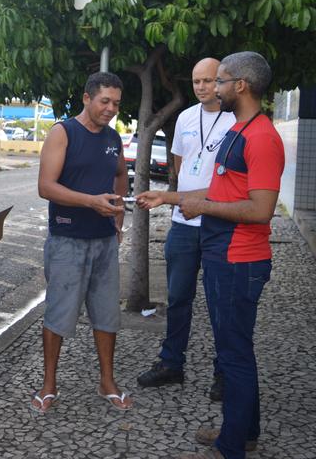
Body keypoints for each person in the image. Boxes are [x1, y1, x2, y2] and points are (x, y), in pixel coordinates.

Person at [138, 52, 284, 459]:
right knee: (236, 347)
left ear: (241, 85)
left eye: (219, 80)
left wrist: (202, 208)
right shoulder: (241, 129)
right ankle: (245, 432)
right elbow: (220, 192)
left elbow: (259, 209)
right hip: (226, 254)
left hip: (240, 258)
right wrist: (169, 196)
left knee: (234, 353)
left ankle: (231, 445)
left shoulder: (262, 138)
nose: (212, 88)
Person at [137, 58, 236, 400]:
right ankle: (172, 364)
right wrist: (179, 198)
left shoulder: (237, 119)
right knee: (178, 298)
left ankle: (225, 372)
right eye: (196, 81)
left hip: (218, 223)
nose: (202, 86)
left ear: (223, 80)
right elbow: (180, 166)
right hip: (182, 224)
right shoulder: (185, 117)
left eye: (209, 80)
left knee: (220, 302)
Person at [33, 72, 132, 413]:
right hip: (67, 239)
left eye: (116, 103)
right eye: (105, 101)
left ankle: (107, 381)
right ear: (87, 98)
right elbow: (46, 186)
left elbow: (121, 174)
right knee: (59, 313)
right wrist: (91, 201)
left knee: (106, 315)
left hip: (104, 240)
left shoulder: (113, 138)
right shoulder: (63, 132)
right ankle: (49, 384)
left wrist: (118, 216)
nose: (110, 109)